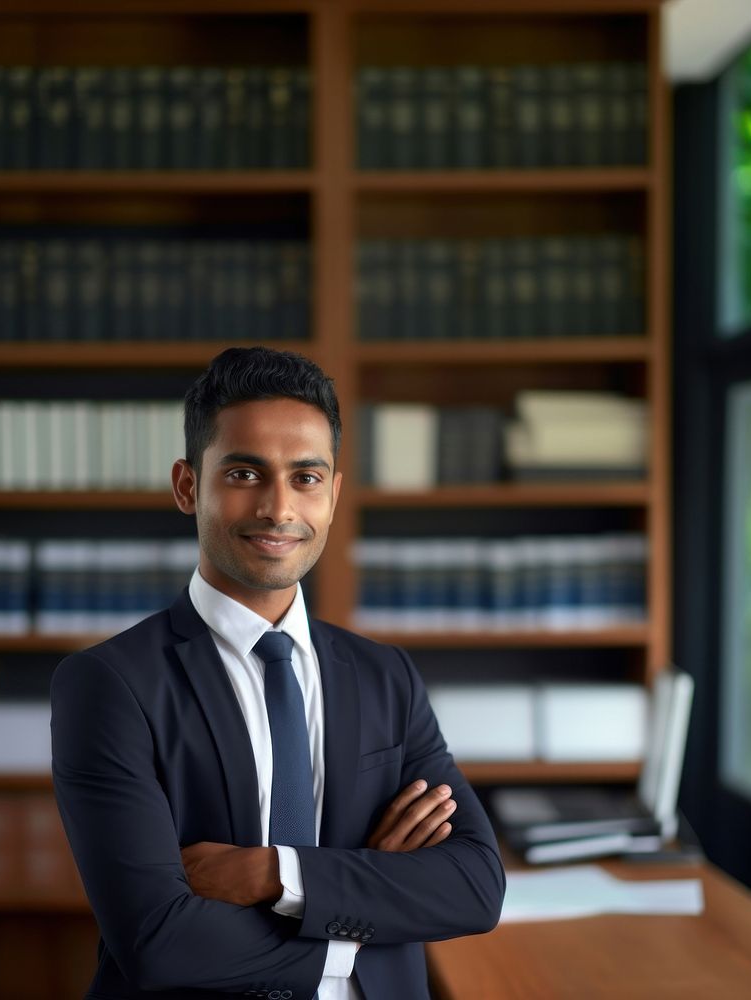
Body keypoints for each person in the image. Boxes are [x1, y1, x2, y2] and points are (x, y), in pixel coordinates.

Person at [51, 346, 505, 1000]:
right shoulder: (110, 685)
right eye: (243, 474)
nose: (278, 509)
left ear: (334, 493)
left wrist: (275, 874)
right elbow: (158, 941)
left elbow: (474, 887)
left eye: (306, 477)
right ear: (187, 486)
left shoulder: (384, 676)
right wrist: (366, 906)